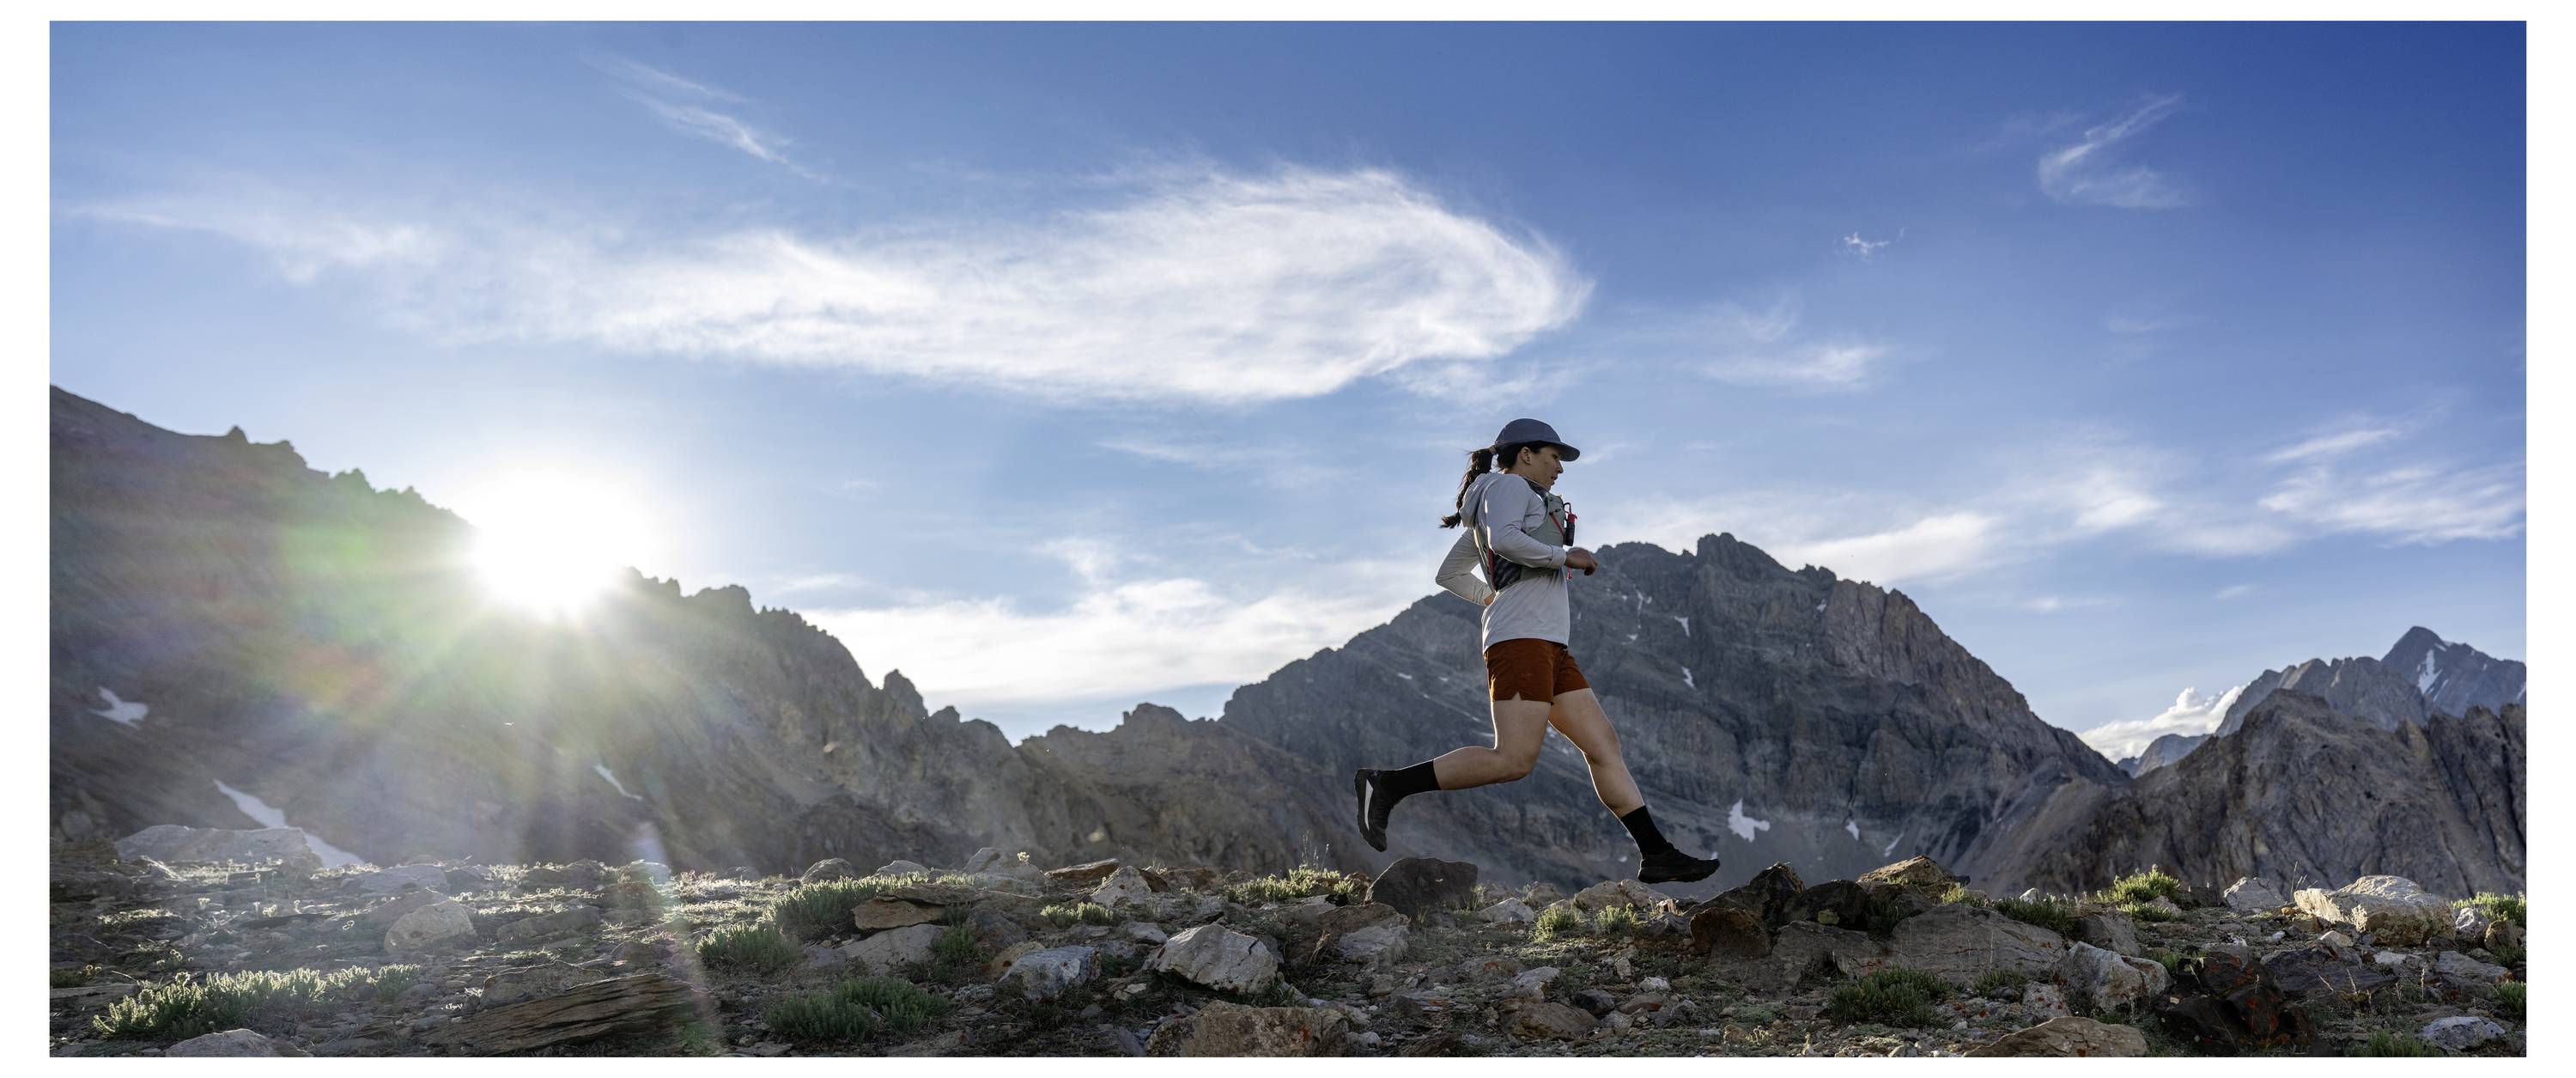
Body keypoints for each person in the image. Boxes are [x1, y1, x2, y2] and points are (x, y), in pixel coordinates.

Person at [1352, 417, 1724, 885]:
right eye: (1554, 458)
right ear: (1525, 454)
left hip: (1547, 643)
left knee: (1602, 745)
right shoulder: (1508, 489)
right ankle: (1386, 785)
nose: (1560, 469)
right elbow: (1505, 541)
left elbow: (1451, 573)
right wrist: (1563, 557)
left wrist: (1494, 598)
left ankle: (1657, 854)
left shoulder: (1509, 502)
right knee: (1513, 760)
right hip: (1522, 641)